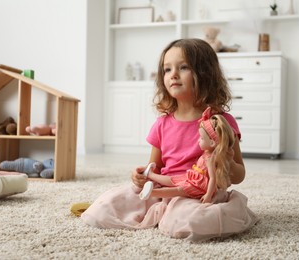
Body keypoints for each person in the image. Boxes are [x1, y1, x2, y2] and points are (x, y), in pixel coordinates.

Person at [81, 38, 258, 241]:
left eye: (183, 67)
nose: (173, 74)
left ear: (205, 73)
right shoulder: (162, 124)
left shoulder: (221, 122)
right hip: (163, 188)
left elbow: (239, 175)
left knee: (194, 222)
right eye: (167, 69)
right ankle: (162, 211)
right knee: (103, 208)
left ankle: (170, 215)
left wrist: (224, 161)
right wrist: (140, 175)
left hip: (196, 194)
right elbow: (153, 168)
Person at [139, 109, 235, 203]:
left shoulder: (211, 159)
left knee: (178, 190)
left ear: (212, 142)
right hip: (194, 177)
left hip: (199, 186)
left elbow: (213, 179)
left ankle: (151, 193)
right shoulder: (207, 153)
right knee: (174, 180)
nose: (198, 141)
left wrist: (208, 195)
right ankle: (150, 174)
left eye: (201, 138)